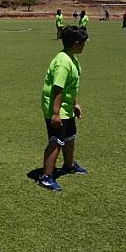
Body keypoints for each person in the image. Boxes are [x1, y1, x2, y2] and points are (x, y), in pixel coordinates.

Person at [37, 25, 89, 191]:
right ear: (75, 43)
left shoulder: (72, 58)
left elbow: (71, 87)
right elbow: (57, 88)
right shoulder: (63, 62)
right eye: (83, 42)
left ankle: (68, 165)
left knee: (69, 136)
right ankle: (45, 176)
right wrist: (55, 113)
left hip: (66, 108)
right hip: (56, 108)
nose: (84, 45)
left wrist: (75, 104)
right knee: (56, 141)